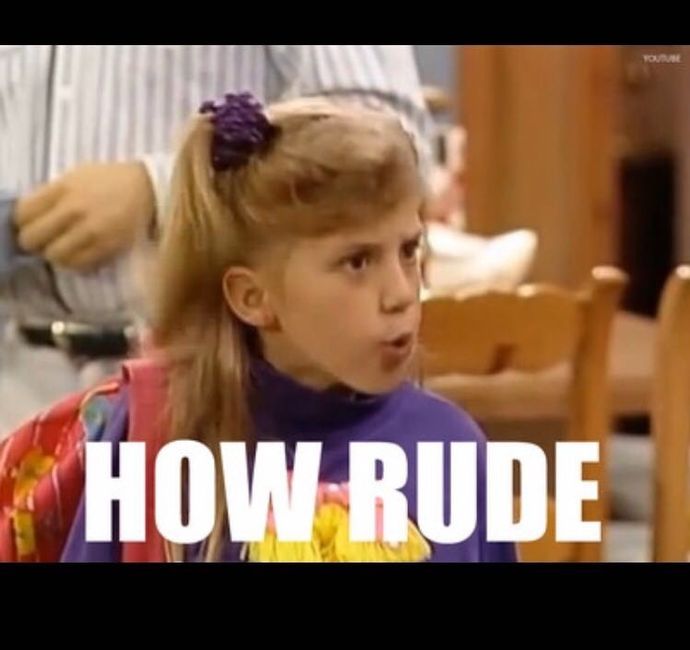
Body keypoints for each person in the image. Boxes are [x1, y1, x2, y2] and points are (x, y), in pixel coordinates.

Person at [0, 93, 517, 563]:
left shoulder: (451, 450)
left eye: (408, 250)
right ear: (253, 298)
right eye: (357, 262)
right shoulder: (155, 443)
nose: (402, 293)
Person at [0, 45, 433, 436]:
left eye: (409, 252)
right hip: (16, 376)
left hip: (213, 390)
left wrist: (162, 188)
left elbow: (385, 128)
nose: (400, 295)